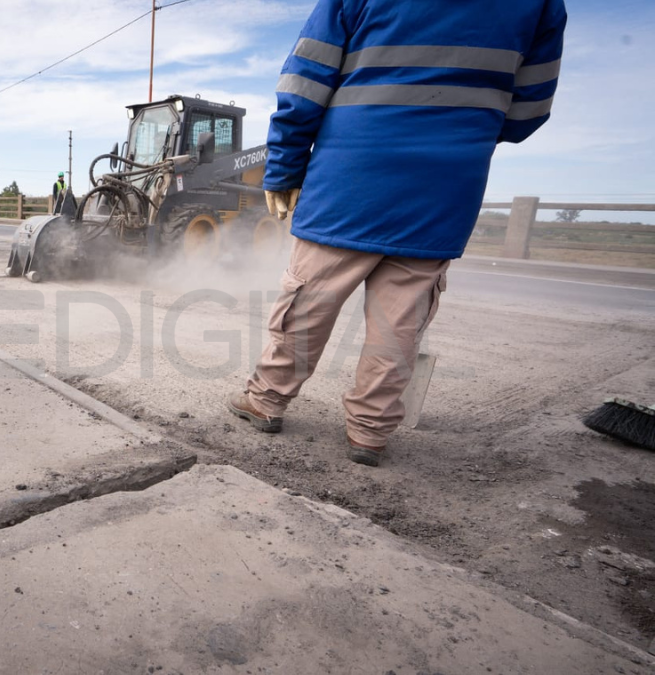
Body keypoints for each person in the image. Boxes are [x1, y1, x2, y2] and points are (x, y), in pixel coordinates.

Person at [227, 0, 565, 466]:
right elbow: (530, 108)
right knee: (400, 320)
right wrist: (458, 133)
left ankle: (266, 401)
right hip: (446, 184)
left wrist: (284, 168)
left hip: (352, 173)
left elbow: (304, 83)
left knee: (309, 299)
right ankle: (369, 432)